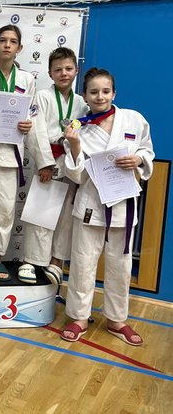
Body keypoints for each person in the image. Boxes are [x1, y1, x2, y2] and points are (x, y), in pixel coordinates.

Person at [61, 67, 153, 344]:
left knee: (120, 267)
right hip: (91, 203)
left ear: (114, 93)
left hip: (123, 203)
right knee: (82, 262)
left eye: (105, 91)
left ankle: (117, 319)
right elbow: (76, 175)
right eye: (93, 92)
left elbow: (147, 149)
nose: (100, 96)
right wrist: (74, 145)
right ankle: (78, 317)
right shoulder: (78, 127)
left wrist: (139, 159)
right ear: (85, 96)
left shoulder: (133, 119)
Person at [0, 24, 53, 282]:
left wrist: (43, 158)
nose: (7, 45)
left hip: (12, 155)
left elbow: (34, 120)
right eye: (3, 40)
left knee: (6, 209)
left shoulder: (27, 80)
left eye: (13, 41)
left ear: (20, 47)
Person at [18, 47, 88, 286]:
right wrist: (45, 164)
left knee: (66, 214)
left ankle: (56, 261)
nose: (64, 73)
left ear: (76, 71)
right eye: (58, 70)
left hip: (70, 161)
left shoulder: (82, 103)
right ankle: (31, 261)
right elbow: (36, 131)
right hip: (49, 158)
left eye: (68, 69)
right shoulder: (42, 97)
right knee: (41, 211)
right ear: (50, 73)